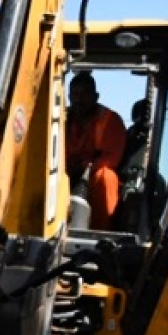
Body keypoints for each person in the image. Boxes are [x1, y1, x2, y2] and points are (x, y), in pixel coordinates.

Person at [66, 72, 127, 230]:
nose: (79, 99)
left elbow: (111, 158)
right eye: (75, 94)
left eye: (85, 94)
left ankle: (102, 231)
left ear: (96, 96)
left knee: (106, 177)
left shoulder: (109, 120)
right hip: (64, 175)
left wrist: (86, 168)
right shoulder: (60, 118)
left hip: (92, 176)